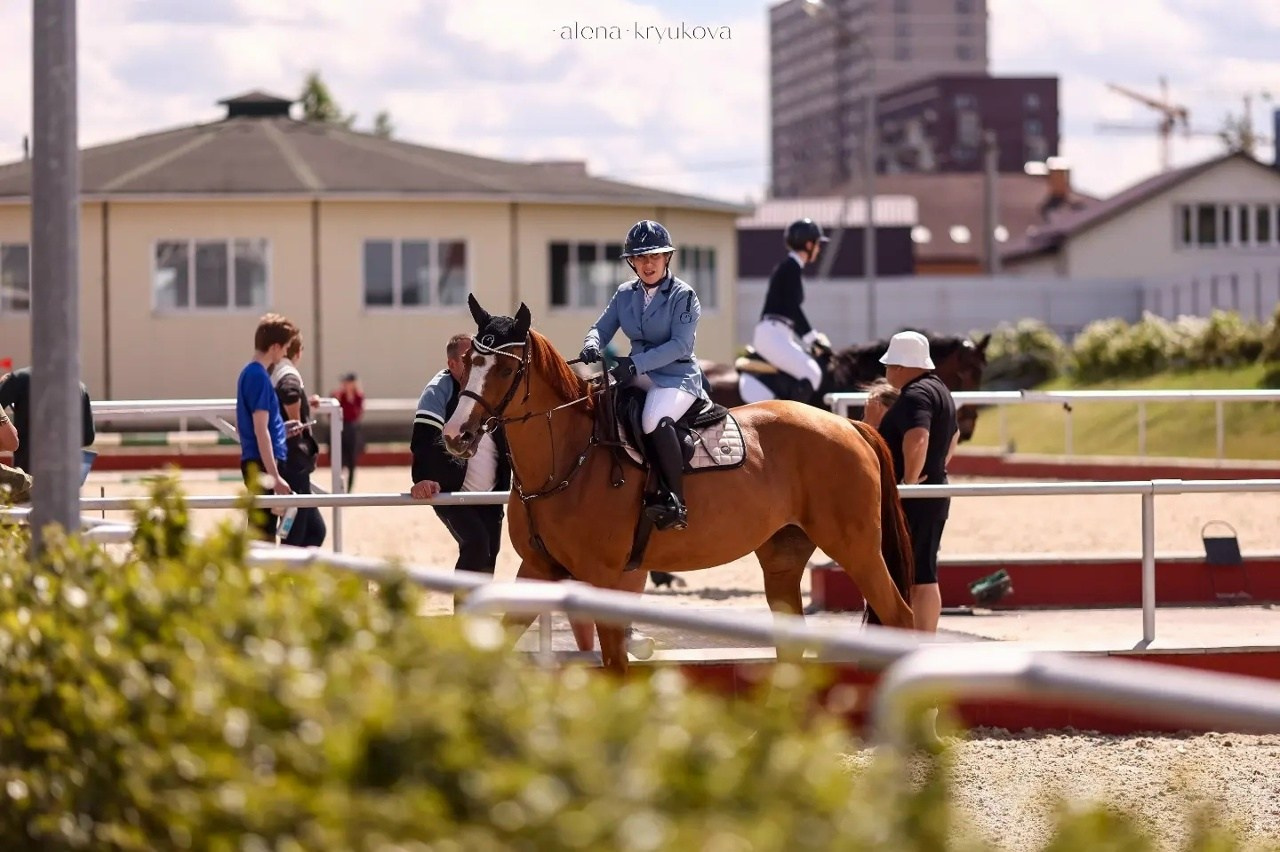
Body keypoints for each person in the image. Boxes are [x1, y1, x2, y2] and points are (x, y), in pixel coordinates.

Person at [579, 219, 709, 531]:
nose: (647, 264)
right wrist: (591, 343)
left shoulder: (683, 295)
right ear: (632, 262)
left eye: (654, 257)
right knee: (593, 403)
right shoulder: (625, 293)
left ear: (667, 258)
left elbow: (680, 345)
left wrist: (635, 365)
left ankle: (676, 500)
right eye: (640, 258)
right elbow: (602, 326)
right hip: (636, 371)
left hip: (676, 377)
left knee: (652, 419)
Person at [875, 330, 959, 635]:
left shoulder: (915, 395)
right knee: (924, 570)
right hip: (934, 491)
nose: (886, 373)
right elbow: (954, 436)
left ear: (900, 366)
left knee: (919, 575)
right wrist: (937, 469)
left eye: (889, 366)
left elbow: (918, 436)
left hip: (918, 497)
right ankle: (924, 637)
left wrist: (910, 481)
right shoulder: (939, 390)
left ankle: (920, 641)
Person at [410, 333, 511, 574]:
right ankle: (463, 613)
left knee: (489, 554)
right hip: (452, 492)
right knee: (476, 544)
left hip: (492, 492)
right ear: (452, 364)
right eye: (468, 360)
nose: (475, 365)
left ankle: (477, 611)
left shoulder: (486, 385)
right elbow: (422, 440)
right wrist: (421, 479)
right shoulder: (438, 391)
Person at [236, 313, 304, 541]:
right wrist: (274, 476)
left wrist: (280, 431)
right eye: (285, 347)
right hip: (263, 463)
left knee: (261, 530)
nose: (286, 353)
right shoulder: (258, 377)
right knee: (261, 534)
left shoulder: (251, 373)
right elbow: (260, 429)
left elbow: (256, 427)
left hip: (259, 460)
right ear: (274, 347)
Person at [751, 218, 832, 402]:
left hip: (778, 333)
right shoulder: (790, 268)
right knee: (812, 373)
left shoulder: (790, 267)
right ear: (809, 244)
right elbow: (792, 307)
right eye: (818, 244)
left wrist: (812, 339)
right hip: (773, 334)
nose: (819, 249)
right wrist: (813, 339)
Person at [271, 333, 326, 547]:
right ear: (298, 352)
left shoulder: (276, 372)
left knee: (315, 530)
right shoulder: (288, 373)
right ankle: (288, 577)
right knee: (296, 532)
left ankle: (296, 576)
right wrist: (297, 422)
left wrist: (306, 404)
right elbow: (290, 392)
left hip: (291, 461)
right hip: (294, 461)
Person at [0, 366, 96, 473]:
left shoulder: (20, 379)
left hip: (28, 469)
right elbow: (88, 437)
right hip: (66, 473)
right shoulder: (79, 386)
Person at [331, 372, 365, 492]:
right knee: (338, 460)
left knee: (351, 461)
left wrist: (350, 398)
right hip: (339, 428)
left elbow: (356, 414)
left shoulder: (358, 396)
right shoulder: (337, 395)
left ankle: (349, 489)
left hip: (352, 429)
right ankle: (339, 487)